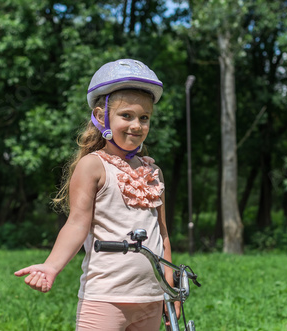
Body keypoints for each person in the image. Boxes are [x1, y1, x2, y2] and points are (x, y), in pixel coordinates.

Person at [14, 59, 178, 330]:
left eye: (144, 118)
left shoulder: (153, 172)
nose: (137, 125)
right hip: (105, 298)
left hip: (150, 298)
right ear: (102, 117)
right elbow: (77, 224)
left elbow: (163, 235)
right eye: (126, 115)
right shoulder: (93, 166)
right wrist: (51, 266)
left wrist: (170, 291)